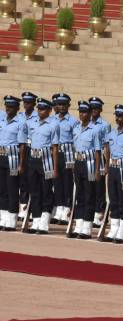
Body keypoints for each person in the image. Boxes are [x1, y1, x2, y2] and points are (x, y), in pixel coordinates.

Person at [102, 105, 123, 244]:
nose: (118, 118)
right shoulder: (111, 134)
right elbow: (107, 151)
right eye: (117, 116)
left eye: (121, 116)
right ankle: (113, 229)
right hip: (113, 167)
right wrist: (106, 167)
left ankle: (122, 231)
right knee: (113, 198)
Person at [26, 98, 60, 234]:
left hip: (46, 161)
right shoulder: (32, 123)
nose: (40, 111)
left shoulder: (53, 124)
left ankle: (44, 222)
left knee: (46, 191)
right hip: (33, 160)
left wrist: (55, 168)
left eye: (43, 109)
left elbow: (55, 148)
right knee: (34, 191)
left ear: (50, 110)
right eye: (39, 109)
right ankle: (36, 221)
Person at [69, 101, 101, 239]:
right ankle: (78, 225)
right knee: (79, 195)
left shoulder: (95, 130)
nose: (82, 114)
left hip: (90, 164)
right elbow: (73, 147)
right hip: (78, 163)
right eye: (80, 112)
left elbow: (98, 152)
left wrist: (98, 170)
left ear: (90, 113)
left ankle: (87, 228)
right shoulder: (76, 128)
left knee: (89, 195)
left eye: (85, 112)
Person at [51, 93, 79, 225]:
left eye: (64, 104)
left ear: (69, 105)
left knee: (67, 183)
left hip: (68, 155)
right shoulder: (52, 119)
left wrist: (75, 159)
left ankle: (67, 211)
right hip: (56, 154)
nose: (61, 106)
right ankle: (58, 210)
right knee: (57, 183)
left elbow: (76, 141)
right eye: (59, 104)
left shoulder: (73, 121)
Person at [0, 95, 27, 231]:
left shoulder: (20, 123)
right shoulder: (2, 120)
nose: (8, 109)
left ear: (17, 108)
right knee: (2, 189)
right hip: (1, 156)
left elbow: (22, 145)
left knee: (12, 189)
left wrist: (21, 164)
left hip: (13, 158)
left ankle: (11, 220)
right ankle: (3, 218)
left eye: (11, 107)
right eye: (6, 106)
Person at [89, 97, 111, 227]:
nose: (94, 111)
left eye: (96, 108)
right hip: (87, 158)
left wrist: (107, 164)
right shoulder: (85, 122)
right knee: (88, 188)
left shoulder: (105, 125)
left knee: (99, 188)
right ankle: (90, 213)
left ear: (101, 109)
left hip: (100, 157)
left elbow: (107, 146)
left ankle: (99, 214)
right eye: (92, 108)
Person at [17, 91, 38, 219]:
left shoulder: (38, 117)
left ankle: (32, 207)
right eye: (25, 102)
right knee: (23, 180)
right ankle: (23, 207)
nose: (26, 104)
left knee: (33, 180)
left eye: (29, 102)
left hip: (32, 149)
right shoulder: (19, 116)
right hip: (21, 149)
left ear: (34, 103)